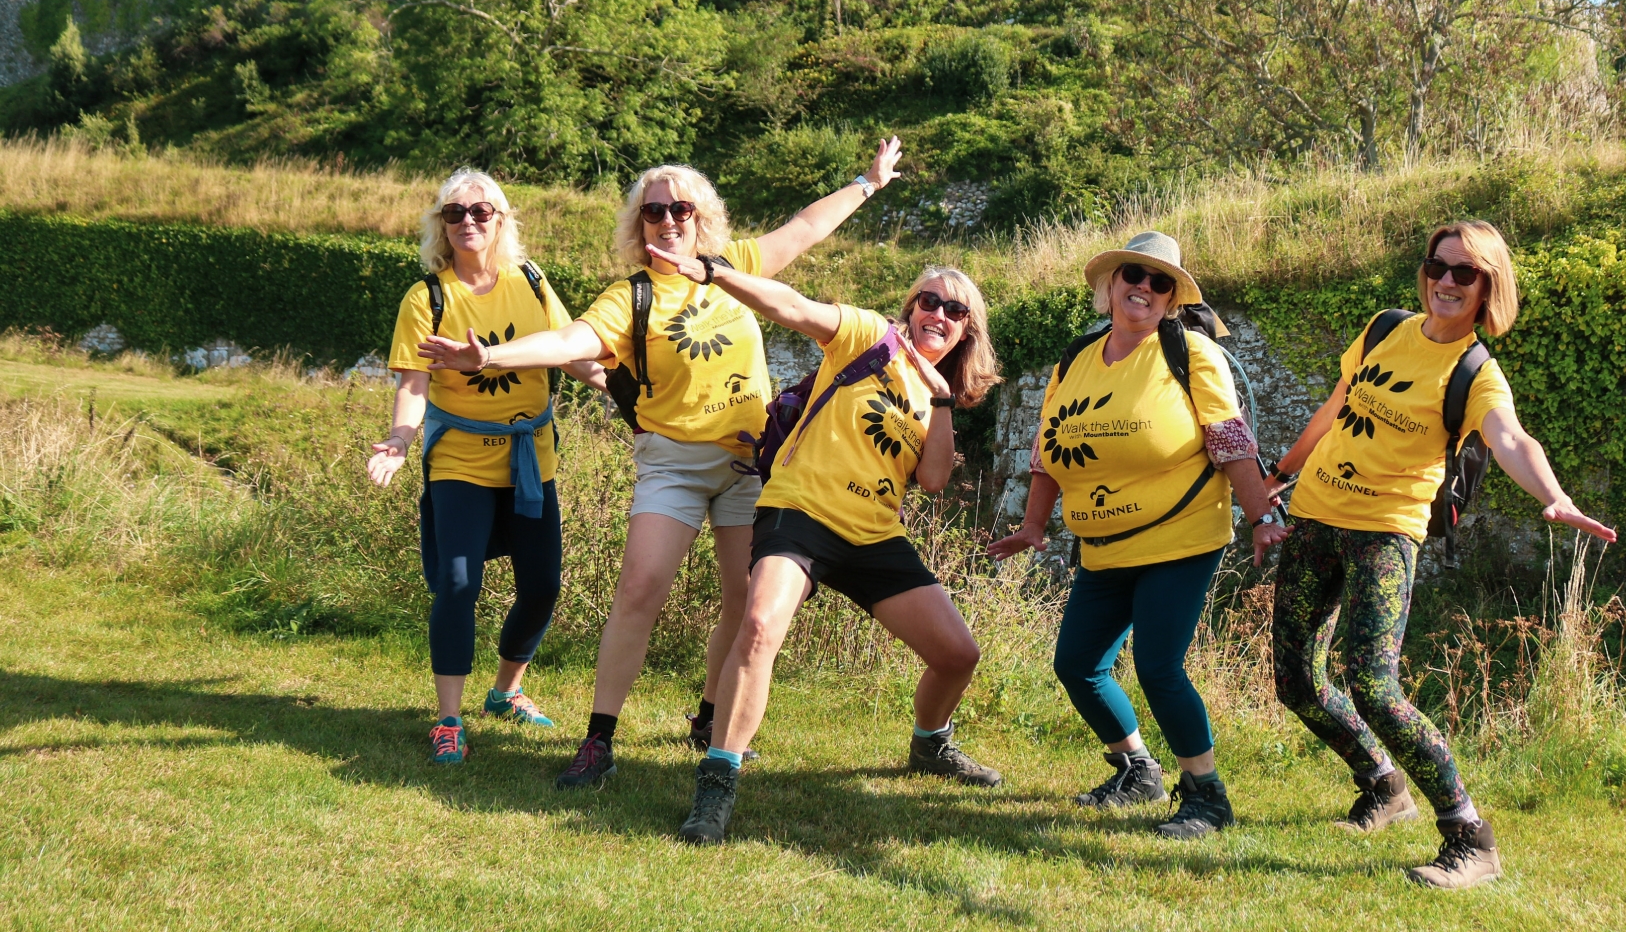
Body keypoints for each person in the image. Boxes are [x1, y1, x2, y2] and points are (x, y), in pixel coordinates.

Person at [419, 141, 907, 788]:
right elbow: (570, 341)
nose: (668, 220)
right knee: (639, 589)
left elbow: (806, 226)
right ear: (639, 223)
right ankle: (599, 738)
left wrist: (868, 183)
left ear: (703, 216)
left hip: (747, 464)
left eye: (680, 207)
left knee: (743, 595)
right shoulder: (632, 296)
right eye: (654, 211)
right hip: (672, 464)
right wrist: (490, 359)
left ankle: (709, 716)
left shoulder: (738, 265)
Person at [1266, 219, 1616, 888]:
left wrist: (1555, 495)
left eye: (1465, 272)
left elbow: (1511, 438)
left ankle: (1468, 834)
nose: (1447, 281)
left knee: (1374, 683)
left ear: (1489, 286)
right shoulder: (1383, 329)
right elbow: (1338, 408)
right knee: (1296, 680)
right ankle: (1383, 785)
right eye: (1438, 266)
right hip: (1314, 516)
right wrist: (1283, 470)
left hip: (1384, 533)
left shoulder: (1475, 372)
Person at [648, 254, 1003, 845]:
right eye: (928, 302)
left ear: (967, 330)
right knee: (759, 626)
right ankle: (717, 784)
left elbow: (935, 479)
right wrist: (715, 272)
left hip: (873, 534)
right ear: (910, 309)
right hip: (799, 513)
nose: (938, 314)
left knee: (958, 655)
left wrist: (941, 401)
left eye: (955, 310)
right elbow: (790, 306)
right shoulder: (868, 335)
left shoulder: (933, 395)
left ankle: (930, 744)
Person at [987, 231, 1288, 839]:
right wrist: (1033, 525)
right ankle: (1136, 768)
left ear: (1173, 298)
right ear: (1110, 284)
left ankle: (1206, 795)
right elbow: (1050, 452)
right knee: (1076, 664)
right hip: (1102, 546)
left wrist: (1260, 517)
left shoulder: (1190, 353)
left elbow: (1231, 440)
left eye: (1160, 283)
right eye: (1135, 275)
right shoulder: (1072, 362)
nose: (1144, 289)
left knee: (1157, 665)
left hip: (1181, 538)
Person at [368, 170, 607, 764]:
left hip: (532, 460)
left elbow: (568, 349)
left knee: (543, 585)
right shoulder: (428, 298)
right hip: (460, 462)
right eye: (454, 214)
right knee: (456, 584)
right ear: (440, 227)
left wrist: (624, 393)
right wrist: (400, 439)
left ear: (501, 221)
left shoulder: (531, 280)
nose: (468, 221)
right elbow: (413, 383)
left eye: (480, 211)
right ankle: (448, 719)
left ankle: (506, 691)